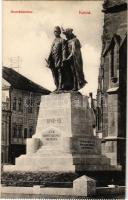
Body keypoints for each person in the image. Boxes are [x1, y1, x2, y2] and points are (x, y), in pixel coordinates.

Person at [47, 26, 66, 91]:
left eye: (56, 31)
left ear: (59, 32)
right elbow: (51, 50)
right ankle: (57, 86)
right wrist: (49, 59)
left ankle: (60, 86)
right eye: (54, 31)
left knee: (60, 72)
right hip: (53, 59)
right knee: (54, 74)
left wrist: (63, 59)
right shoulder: (54, 41)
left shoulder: (62, 40)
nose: (55, 33)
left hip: (59, 59)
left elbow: (63, 50)